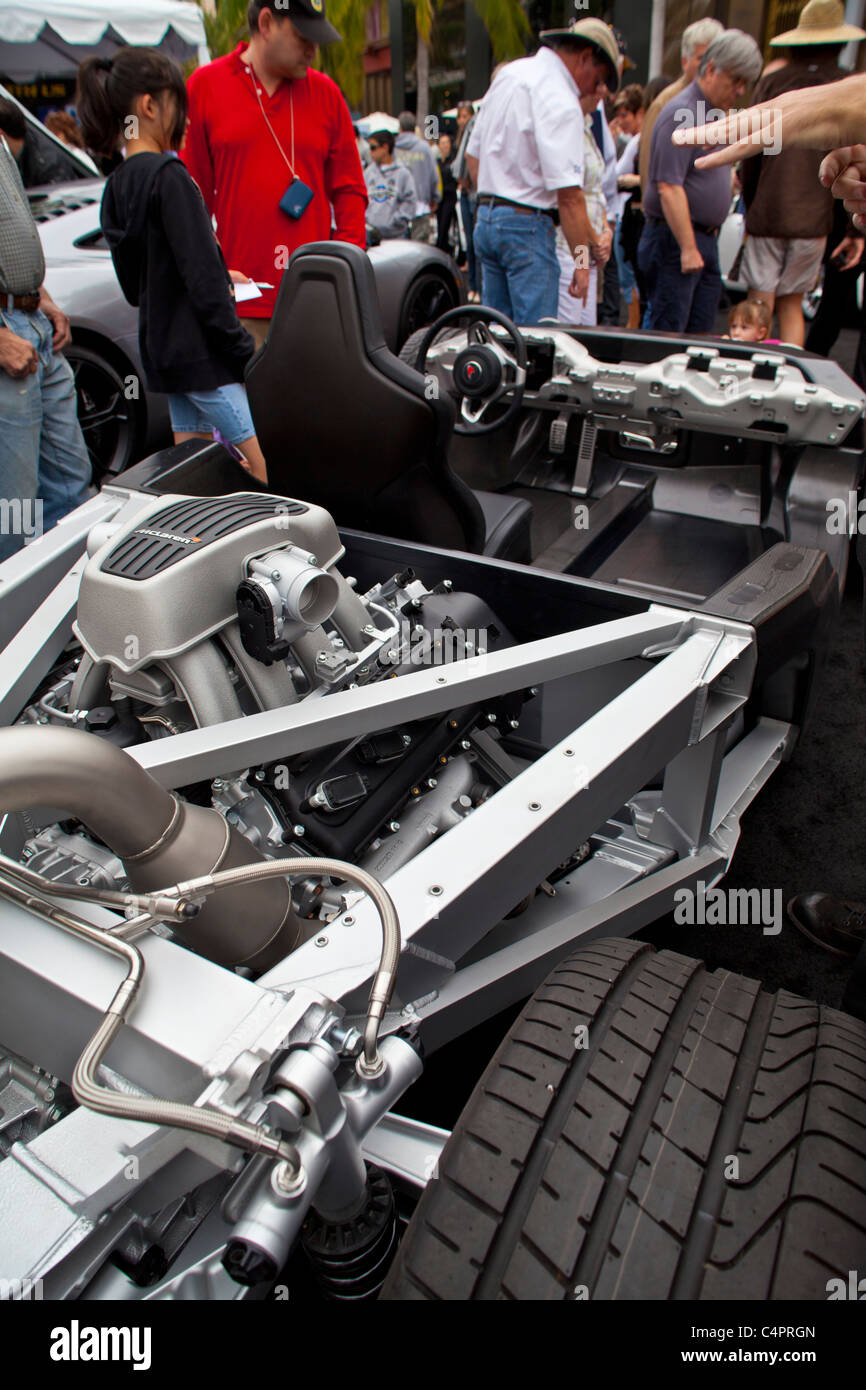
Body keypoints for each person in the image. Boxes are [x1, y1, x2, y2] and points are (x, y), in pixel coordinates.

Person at [78, 50, 267, 484]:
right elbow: (201, 284)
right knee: (261, 471)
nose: (183, 118)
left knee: (195, 481)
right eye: (177, 105)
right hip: (205, 360)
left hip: (167, 361)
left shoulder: (116, 187)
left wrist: (219, 275)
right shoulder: (170, 177)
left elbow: (138, 286)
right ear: (149, 106)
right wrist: (244, 351)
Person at [182, 0, 366, 350]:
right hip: (242, 303)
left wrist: (346, 266)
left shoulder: (326, 93)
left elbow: (350, 190)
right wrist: (208, 280)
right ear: (266, 23)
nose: (313, 49)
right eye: (302, 37)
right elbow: (194, 199)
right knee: (248, 405)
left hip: (315, 300)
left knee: (316, 404)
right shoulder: (205, 86)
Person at [465, 17, 619, 324]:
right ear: (584, 59)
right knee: (535, 342)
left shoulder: (510, 74)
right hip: (528, 225)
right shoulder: (561, 98)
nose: (596, 88)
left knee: (498, 338)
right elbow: (570, 198)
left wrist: (494, 203)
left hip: (487, 217)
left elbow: (473, 156)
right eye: (598, 79)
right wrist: (581, 262)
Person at [737, 0, 865, 347]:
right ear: (839, 42)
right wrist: (851, 227)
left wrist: (751, 203)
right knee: (793, 305)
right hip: (815, 216)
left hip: (770, 209)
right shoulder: (847, 88)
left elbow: (750, 153)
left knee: (759, 305)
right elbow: (855, 161)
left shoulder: (774, 83)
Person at [0, 102, 92, 564]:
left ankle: (68, 613)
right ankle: (16, 628)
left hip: (28, 318)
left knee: (71, 486)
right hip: (7, 333)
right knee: (15, 509)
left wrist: (41, 297)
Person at [638, 30, 763, 335]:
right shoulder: (681, 112)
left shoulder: (709, 112)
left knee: (698, 339)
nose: (740, 90)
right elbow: (668, 186)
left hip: (698, 238)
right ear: (711, 70)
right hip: (677, 238)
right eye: (736, 81)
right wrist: (687, 246)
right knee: (669, 336)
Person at [638, 18, 724, 199]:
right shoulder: (666, 103)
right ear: (685, 61)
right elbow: (648, 169)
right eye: (702, 58)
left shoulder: (716, 103)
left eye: (715, 58)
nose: (709, 65)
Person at [554, 89, 611, 325]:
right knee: (568, 333)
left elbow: (596, 192)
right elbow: (571, 198)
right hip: (571, 250)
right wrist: (595, 241)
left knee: (587, 332)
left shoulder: (587, 128)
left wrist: (606, 232)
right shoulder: (568, 130)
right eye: (596, 84)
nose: (602, 91)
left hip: (588, 254)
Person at [612, 84, 644, 329]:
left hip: (602, 226)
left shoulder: (637, 141)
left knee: (587, 277)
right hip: (590, 230)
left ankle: (630, 325)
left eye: (625, 114)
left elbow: (609, 177)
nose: (620, 120)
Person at [364, 130, 416, 243]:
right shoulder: (368, 173)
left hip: (396, 238)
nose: (370, 152)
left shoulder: (403, 174)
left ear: (385, 147)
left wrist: (396, 222)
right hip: (371, 238)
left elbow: (410, 202)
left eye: (373, 147)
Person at [394, 111, 440, 217]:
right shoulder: (424, 148)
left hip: (397, 207)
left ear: (400, 128)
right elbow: (434, 175)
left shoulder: (393, 148)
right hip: (421, 205)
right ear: (414, 128)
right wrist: (435, 198)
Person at [435, 132, 458, 253]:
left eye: (447, 142)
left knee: (445, 223)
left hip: (450, 196)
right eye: (442, 143)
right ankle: (442, 245)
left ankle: (441, 247)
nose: (445, 145)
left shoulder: (453, 161)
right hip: (440, 197)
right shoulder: (437, 162)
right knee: (440, 224)